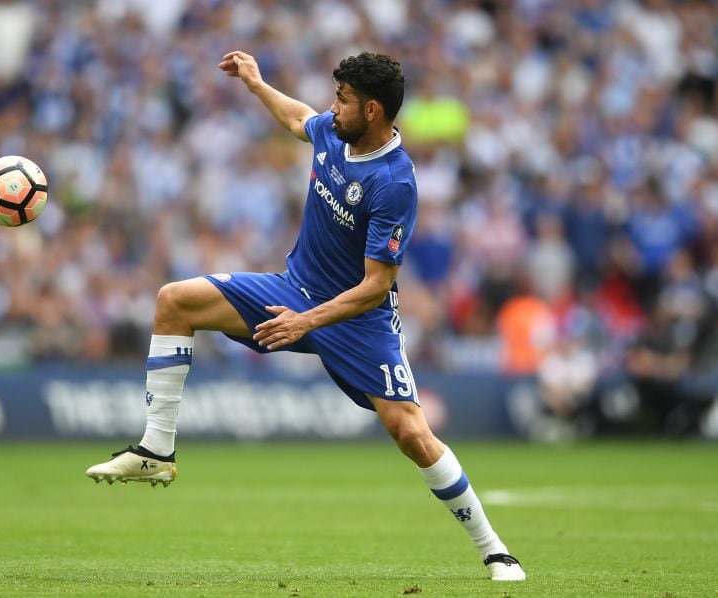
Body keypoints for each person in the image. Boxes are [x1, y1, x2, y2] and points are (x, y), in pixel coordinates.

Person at [86, 50, 525, 582]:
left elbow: (375, 286)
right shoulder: (334, 134)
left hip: (358, 320)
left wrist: (306, 321)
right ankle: (156, 449)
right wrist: (256, 83)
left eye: (342, 99)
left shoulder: (394, 182)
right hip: (293, 289)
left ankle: (495, 549)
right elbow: (298, 118)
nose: (331, 107)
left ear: (373, 111)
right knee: (174, 300)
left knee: (410, 433)